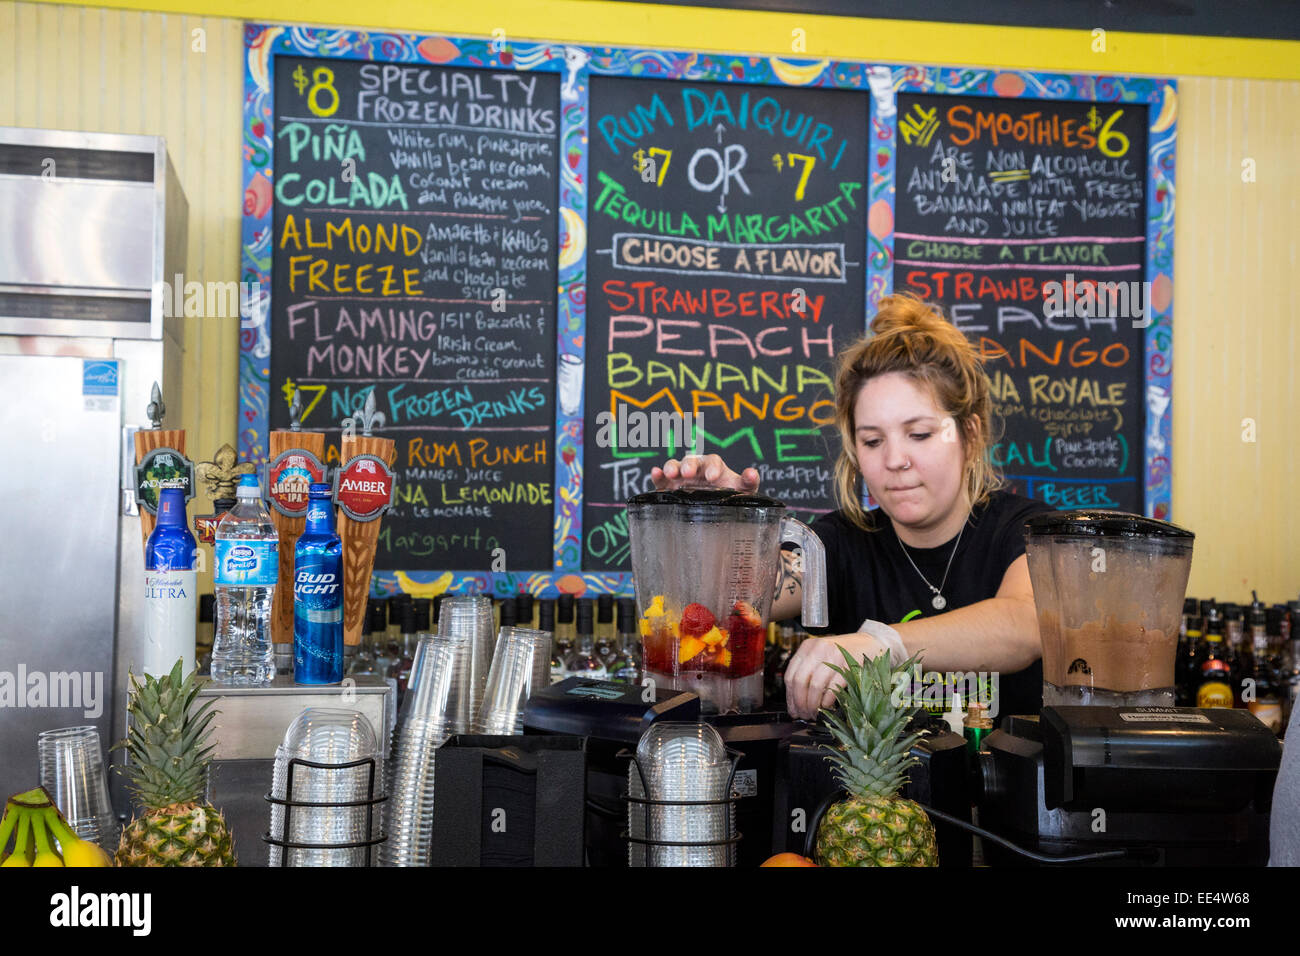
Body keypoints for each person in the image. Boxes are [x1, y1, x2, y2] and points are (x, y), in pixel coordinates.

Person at [652, 293, 1052, 722]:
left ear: (969, 436)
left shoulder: (1024, 531)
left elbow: (1026, 623)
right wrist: (722, 522)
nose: (895, 460)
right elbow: (732, 601)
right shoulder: (838, 547)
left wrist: (882, 644)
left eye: (919, 434)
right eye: (873, 441)